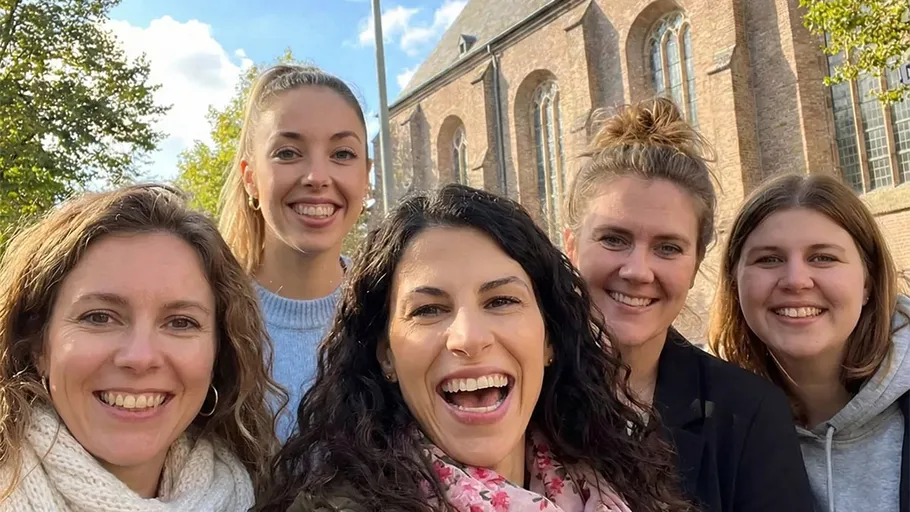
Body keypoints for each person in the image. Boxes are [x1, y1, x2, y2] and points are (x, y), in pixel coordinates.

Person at [255, 184, 693, 512]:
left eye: (501, 301)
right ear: (385, 354)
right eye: (428, 309)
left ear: (551, 339)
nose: (468, 337)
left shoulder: (626, 486)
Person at [562, 98, 815, 512]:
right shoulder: (518, 393)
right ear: (572, 247)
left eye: (667, 247)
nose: (638, 270)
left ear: (696, 263)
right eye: (614, 239)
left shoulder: (748, 414)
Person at [0, 184, 282, 511]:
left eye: (180, 322)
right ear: (37, 345)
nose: (140, 357)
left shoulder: (264, 497)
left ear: (219, 354)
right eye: (100, 317)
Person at [710, 172, 910, 512]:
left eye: (823, 257)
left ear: (868, 282)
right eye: (769, 259)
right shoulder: (708, 419)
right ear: (735, 283)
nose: (796, 281)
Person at [218, 64, 372, 440]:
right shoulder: (207, 316)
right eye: (288, 153)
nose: (318, 176)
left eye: (342, 153)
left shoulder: (393, 311)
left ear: (366, 177)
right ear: (250, 177)